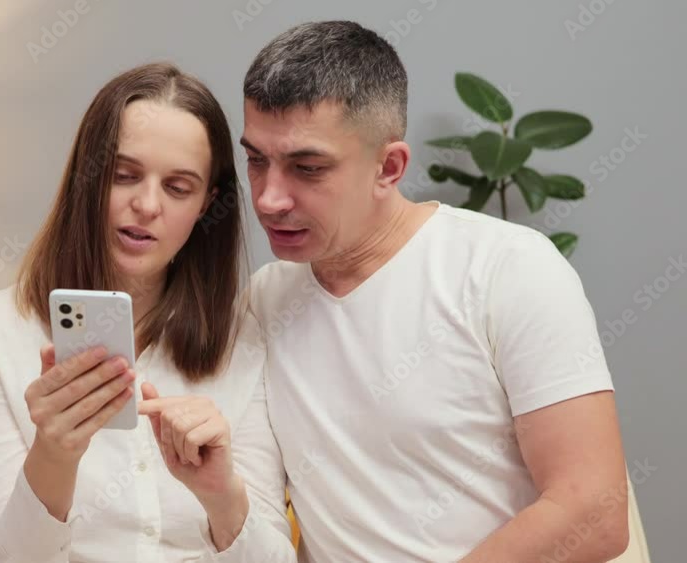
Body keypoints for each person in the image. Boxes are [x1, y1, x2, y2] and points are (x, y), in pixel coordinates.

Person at [241, 21, 630, 563]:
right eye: (256, 160)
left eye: (307, 168)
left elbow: (593, 512)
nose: (268, 198)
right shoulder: (265, 299)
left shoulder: (508, 269)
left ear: (389, 167)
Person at [0, 62, 296, 562]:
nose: (147, 204)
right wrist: (54, 456)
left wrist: (221, 495)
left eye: (178, 188)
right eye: (124, 176)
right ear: (86, 179)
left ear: (206, 204)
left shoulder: (242, 340)